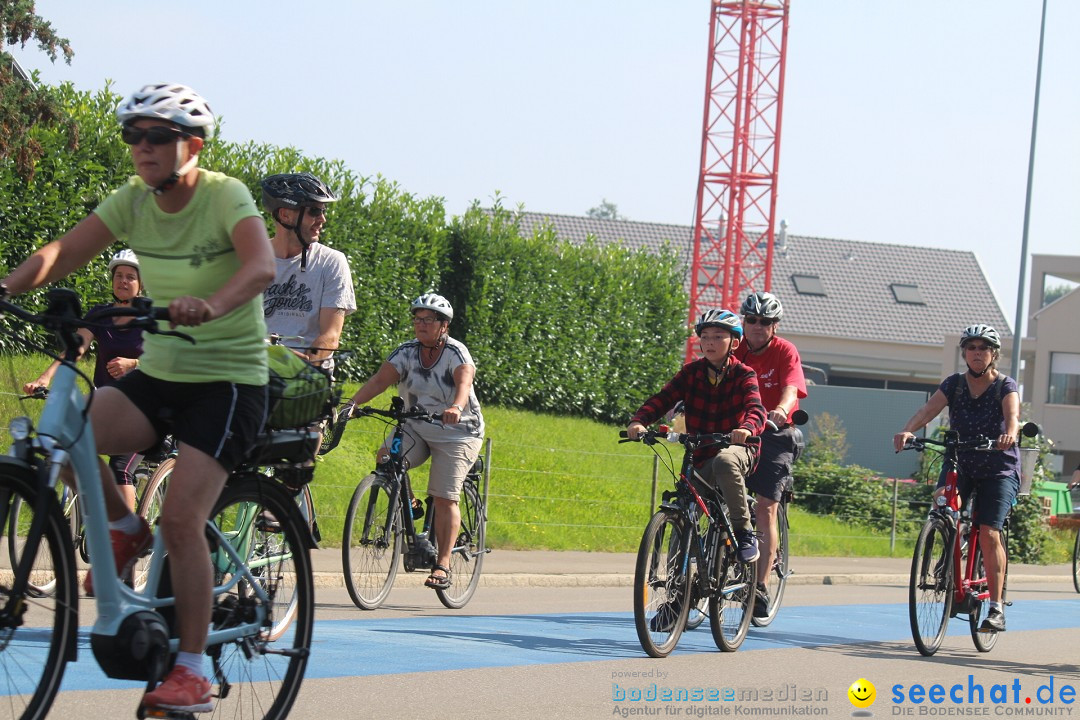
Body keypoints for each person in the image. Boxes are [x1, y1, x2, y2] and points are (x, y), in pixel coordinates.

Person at [0, 82, 275, 714]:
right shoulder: (132, 201)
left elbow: (259, 266)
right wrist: (7, 283)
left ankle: (189, 669)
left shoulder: (224, 196)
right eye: (133, 135)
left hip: (229, 381)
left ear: (192, 145)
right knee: (66, 434)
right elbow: (64, 251)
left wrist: (212, 304)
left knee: (182, 519)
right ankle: (123, 525)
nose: (142, 148)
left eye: (156, 136)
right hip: (163, 372)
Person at [345, 293, 484, 591]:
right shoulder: (406, 352)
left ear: (443, 326)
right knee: (386, 458)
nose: (420, 325)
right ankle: (408, 502)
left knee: (445, 496)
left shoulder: (457, 353)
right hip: (418, 425)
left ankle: (443, 564)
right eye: (417, 319)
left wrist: (456, 408)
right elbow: (380, 380)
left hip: (458, 432)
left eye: (428, 320)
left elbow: (464, 383)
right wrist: (352, 403)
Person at [893, 324, 1020, 633]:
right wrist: (909, 429)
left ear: (993, 354)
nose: (977, 353)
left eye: (984, 348)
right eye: (972, 348)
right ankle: (950, 544)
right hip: (960, 461)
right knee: (942, 503)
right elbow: (928, 410)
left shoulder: (1005, 385)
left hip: (997, 468)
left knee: (989, 531)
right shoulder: (954, 384)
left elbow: (1012, 417)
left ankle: (996, 607)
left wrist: (1009, 434)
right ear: (964, 353)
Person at [627, 309, 767, 566]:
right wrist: (639, 421)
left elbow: (756, 409)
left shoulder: (744, 374)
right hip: (701, 452)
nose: (710, 342)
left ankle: (744, 533)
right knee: (684, 508)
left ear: (734, 343)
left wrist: (746, 429)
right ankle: (676, 593)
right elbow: (663, 399)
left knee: (725, 461)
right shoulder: (691, 373)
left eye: (718, 336)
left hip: (737, 448)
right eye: (705, 337)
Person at [23, 249, 147, 511]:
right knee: (67, 446)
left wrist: (133, 363)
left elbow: (167, 359)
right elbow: (75, 348)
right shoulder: (99, 315)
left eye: (130, 277)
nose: (123, 281)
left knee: (120, 468)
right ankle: (98, 514)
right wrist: (44, 378)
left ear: (140, 284)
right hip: (105, 404)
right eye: (119, 276)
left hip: (141, 409)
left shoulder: (149, 318)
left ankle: (125, 538)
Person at [734, 291, 806, 618]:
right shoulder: (736, 351)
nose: (758, 327)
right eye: (752, 320)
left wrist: (780, 409)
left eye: (765, 322)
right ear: (743, 322)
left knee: (765, 507)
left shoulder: (784, 351)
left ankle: (760, 585)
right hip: (740, 432)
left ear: (774, 326)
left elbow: (792, 388)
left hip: (777, 434)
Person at [260, 172, 356, 372]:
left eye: (323, 211)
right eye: (314, 211)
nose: (323, 219)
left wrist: (302, 367)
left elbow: (331, 335)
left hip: (308, 376)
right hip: (256, 368)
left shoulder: (331, 262)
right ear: (285, 214)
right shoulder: (251, 259)